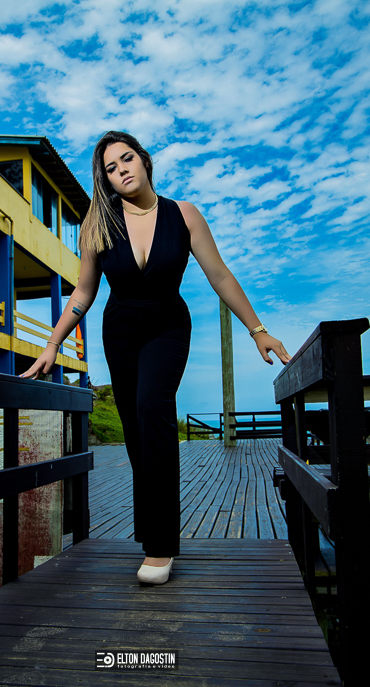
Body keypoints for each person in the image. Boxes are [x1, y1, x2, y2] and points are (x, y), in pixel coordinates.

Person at [20, 131, 291, 585]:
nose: (121, 170)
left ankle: (160, 546)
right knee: (135, 433)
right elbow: (84, 292)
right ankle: (150, 531)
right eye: (111, 168)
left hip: (168, 327)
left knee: (153, 410)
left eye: (127, 159)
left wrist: (257, 329)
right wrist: (53, 343)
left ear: (144, 161)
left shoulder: (184, 215)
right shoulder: (98, 224)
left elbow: (220, 275)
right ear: (106, 179)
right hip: (120, 333)